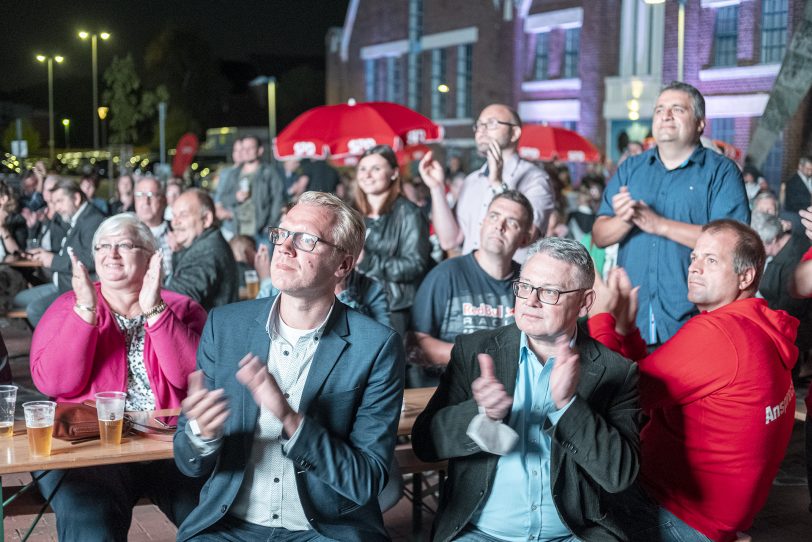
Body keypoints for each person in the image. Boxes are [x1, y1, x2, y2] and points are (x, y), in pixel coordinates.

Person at [173, 191, 405, 541]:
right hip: (230, 527)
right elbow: (188, 462)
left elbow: (365, 482)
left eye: (306, 240)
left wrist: (291, 420)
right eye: (282, 234)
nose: (284, 247)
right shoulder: (226, 326)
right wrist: (201, 436)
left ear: (343, 265)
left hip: (324, 530)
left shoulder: (376, 345)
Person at [412, 237, 640, 542]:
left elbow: (620, 475)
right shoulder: (475, 350)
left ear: (585, 303)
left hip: (572, 535)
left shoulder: (616, 371)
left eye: (549, 292)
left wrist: (569, 407)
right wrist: (481, 415)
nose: (530, 301)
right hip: (481, 534)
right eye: (525, 286)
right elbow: (424, 443)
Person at [590, 220, 798, 542]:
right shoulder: (759, 327)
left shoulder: (721, 335)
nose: (695, 268)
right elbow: (653, 384)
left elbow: (612, 394)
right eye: (694, 258)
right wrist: (627, 332)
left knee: (566, 493)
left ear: (746, 276)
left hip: (679, 515)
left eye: (711, 260)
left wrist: (600, 318)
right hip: (719, 516)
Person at [29, 213, 208, 541]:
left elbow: (193, 375)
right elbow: (53, 383)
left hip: (168, 446)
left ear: (151, 256)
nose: (111, 254)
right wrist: (85, 311)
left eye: (124, 245)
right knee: (92, 524)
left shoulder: (182, 309)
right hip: (88, 448)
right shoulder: (66, 306)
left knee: (213, 518)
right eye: (103, 246)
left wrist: (154, 309)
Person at [592, 81, 750, 345]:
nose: (665, 115)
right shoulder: (631, 168)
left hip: (693, 319)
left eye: (677, 109)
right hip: (633, 317)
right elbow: (599, 235)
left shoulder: (722, 172)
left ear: (700, 123)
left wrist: (660, 225)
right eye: (659, 109)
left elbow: (734, 243)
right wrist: (625, 219)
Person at [410, 191, 532, 387]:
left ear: (525, 239)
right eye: (493, 216)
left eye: (512, 222)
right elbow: (417, 342)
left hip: (514, 394)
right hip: (450, 393)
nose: (498, 226)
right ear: (482, 223)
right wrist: (479, 359)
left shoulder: (530, 283)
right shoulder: (446, 274)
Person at [419, 104, 554, 261]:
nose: (481, 130)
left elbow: (528, 237)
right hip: (470, 278)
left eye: (492, 123)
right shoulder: (471, 180)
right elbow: (449, 240)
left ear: (515, 132)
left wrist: (497, 184)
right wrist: (436, 188)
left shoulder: (535, 178)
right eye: (479, 125)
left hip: (511, 282)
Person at [354, 145, 432, 337]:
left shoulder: (409, 213)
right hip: (357, 301)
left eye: (376, 169)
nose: (367, 175)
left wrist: (367, 260)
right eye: (363, 169)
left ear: (394, 173)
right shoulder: (353, 213)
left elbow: (415, 265)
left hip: (393, 308)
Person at [16, 179, 106, 326]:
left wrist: (52, 260)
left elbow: (91, 260)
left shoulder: (92, 220)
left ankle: (55, 346)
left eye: (60, 201)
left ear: (76, 198)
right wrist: (46, 254)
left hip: (76, 291)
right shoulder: (78, 218)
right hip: (62, 285)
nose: (56, 207)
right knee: (18, 300)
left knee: (35, 310)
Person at [166, 189, 238, 311]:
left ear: (206, 219)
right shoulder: (208, 242)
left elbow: (175, 300)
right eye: (174, 215)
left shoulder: (207, 251)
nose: (174, 222)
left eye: (183, 215)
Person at [216, 135, 285, 246]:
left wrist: (270, 226)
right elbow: (223, 198)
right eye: (243, 148)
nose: (246, 151)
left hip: (262, 233)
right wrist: (235, 197)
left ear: (260, 150)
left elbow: (278, 200)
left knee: (263, 263)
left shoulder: (269, 173)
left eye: (250, 148)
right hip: (238, 233)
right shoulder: (234, 174)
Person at [134, 176, 173, 277]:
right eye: (140, 195)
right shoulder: (125, 233)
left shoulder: (177, 232)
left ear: (164, 200)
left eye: (152, 195)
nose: (146, 201)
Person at [214, 138, 243, 237]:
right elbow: (218, 197)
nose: (238, 153)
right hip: (229, 226)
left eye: (241, 150)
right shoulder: (225, 173)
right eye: (236, 150)